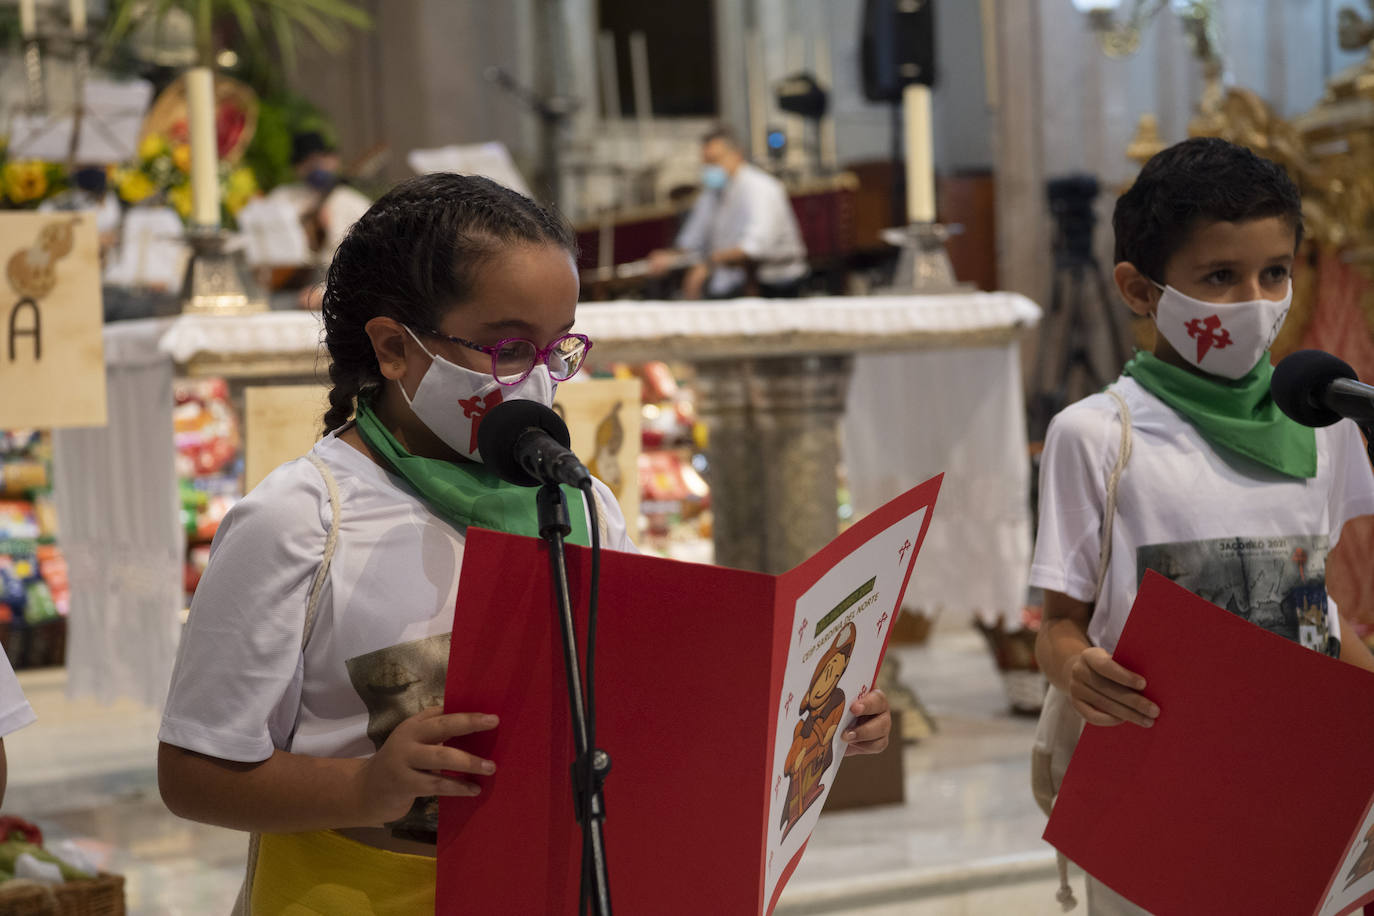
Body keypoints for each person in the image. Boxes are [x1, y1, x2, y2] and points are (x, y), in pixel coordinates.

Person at [155, 173, 893, 912]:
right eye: (507, 347)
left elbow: (639, 704)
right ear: (393, 347)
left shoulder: (581, 504)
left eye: (557, 347)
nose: (538, 379)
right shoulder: (302, 520)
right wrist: (364, 786)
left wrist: (814, 717)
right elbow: (192, 774)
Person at [1031, 136, 1374, 914]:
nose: (1255, 300)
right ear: (1139, 289)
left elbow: (1314, 609)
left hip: (1293, 776)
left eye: (1274, 273)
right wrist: (1076, 668)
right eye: (1220, 277)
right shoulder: (1098, 434)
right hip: (1160, 787)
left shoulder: (1322, 422)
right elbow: (1058, 626)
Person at [648, 126, 808, 299]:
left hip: (775, 285)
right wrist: (670, 257)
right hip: (731, 284)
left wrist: (708, 264)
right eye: (706, 162)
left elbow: (753, 248)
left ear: (737, 155)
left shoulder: (762, 188)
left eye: (714, 160)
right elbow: (692, 240)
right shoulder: (711, 194)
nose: (709, 168)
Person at [266, 132, 373, 309]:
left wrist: (326, 290)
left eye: (320, 159)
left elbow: (365, 262)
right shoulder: (282, 198)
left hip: (338, 292)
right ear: (297, 167)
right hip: (288, 288)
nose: (315, 166)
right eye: (307, 161)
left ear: (333, 160)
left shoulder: (356, 205)